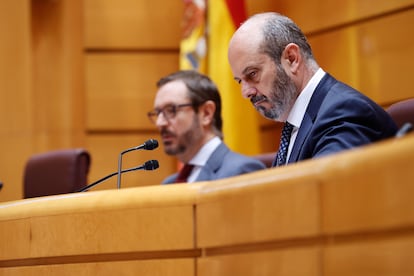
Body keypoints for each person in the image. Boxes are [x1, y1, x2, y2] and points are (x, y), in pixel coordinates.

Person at [227, 12, 398, 167]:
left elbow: (326, 194)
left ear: (291, 59)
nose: (246, 92)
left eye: (252, 74)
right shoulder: (297, 123)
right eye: (239, 81)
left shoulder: (344, 113)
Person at [147, 70, 266, 184]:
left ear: (206, 113)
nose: (160, 123)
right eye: (158, 113)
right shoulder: (170, 184)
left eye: (170, 110)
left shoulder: (241, 173)